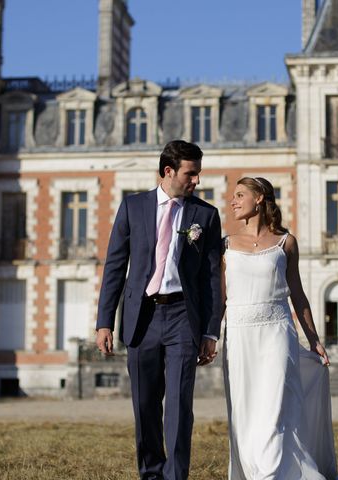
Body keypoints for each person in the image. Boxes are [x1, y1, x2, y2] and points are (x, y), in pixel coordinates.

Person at [95, 140, 222, 480]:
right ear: (169, 172)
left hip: (184, 317)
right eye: (190, 174)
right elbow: (115, 267)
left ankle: (175, 476)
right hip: (142, 317)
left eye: (197, 174)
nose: (196, 181)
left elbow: (212, 278)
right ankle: (151, 474)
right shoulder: (132, 206)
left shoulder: (206, 215)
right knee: (145, 404)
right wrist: (104, 322)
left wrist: (211, 331)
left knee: (179, 407)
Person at [222, 176, 338, 479]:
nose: (232, 201)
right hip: (238, 336)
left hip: (276, 332)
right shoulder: (225, 245)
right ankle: (253, 470)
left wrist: (313, 339)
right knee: (245, 412)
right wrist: (207, 336)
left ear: (259, 198)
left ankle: (271, 474)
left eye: (239, 195)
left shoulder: (286, 242)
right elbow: (219, 299)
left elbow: (297, 294)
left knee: (274, 407)